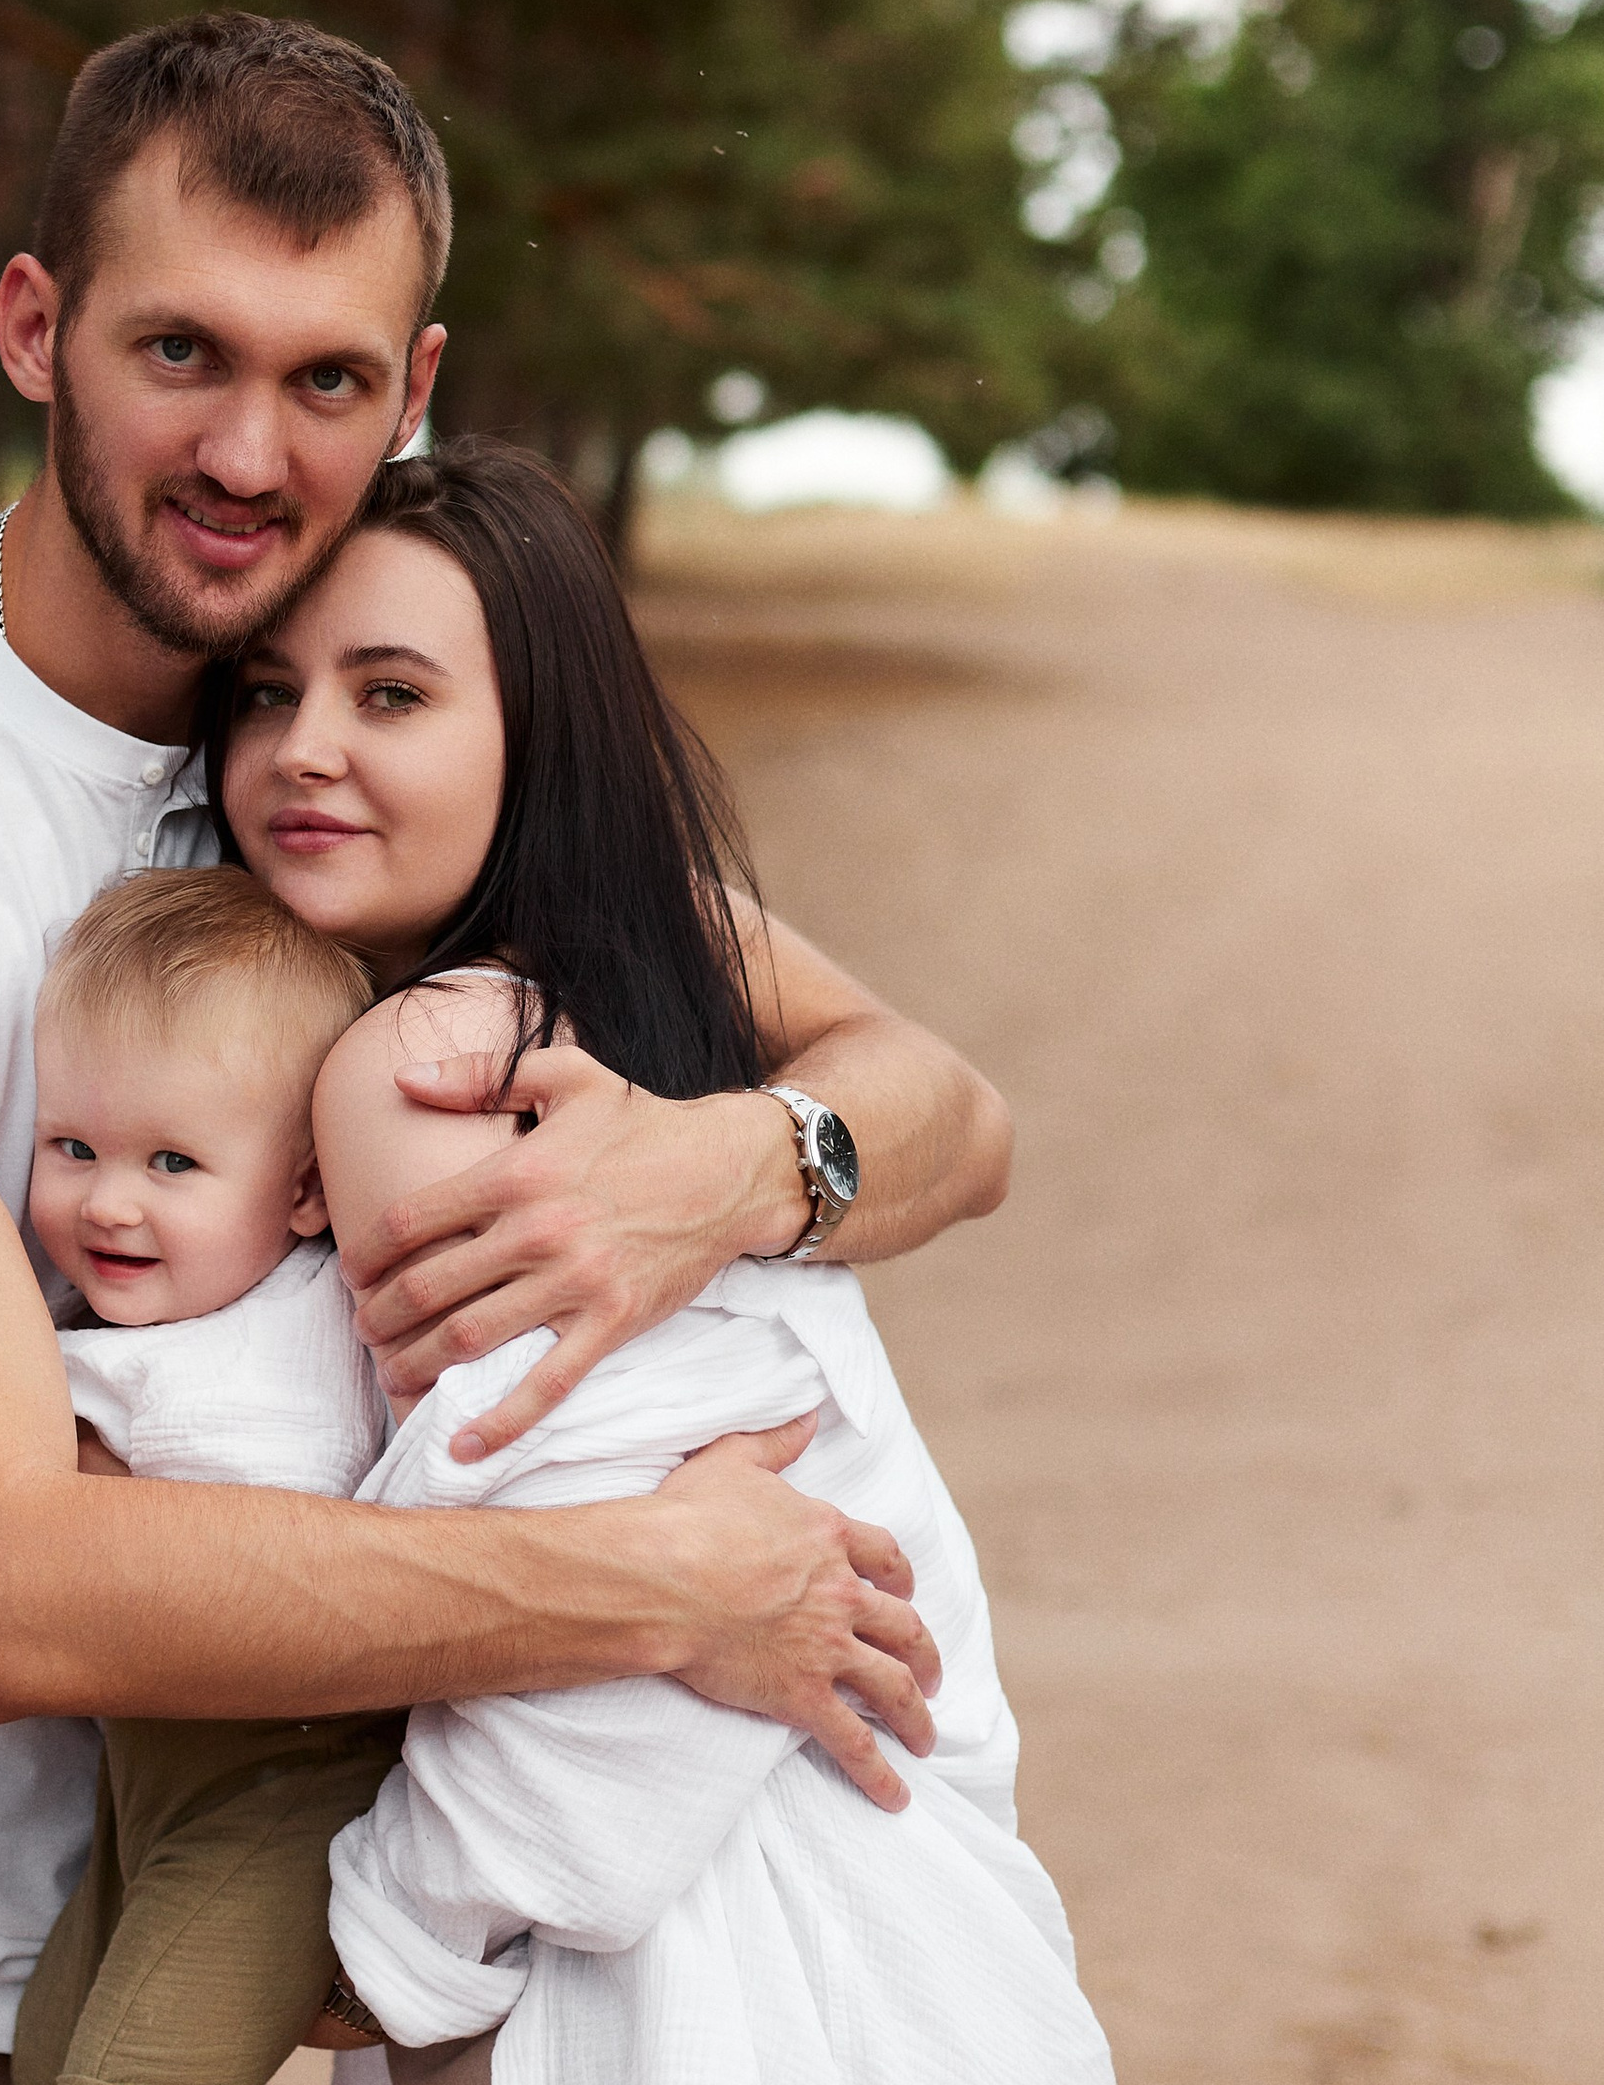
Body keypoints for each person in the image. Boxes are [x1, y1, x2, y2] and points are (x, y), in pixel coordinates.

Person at [0, 10, 1011, 2084]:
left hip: (188, 1914)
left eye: (326, 380)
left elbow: (942, 1106)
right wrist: (658, 1590)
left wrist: (738, 1164)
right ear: (36, 327)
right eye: (180, 352)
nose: (244, 454)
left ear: (416, 389)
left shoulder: (329, 763)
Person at [194, 438, 1107, 2082]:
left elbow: (619, 1647)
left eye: (391, 694)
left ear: (533, 739)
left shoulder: (446, 1062)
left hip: (693, 1971)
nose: (305, 746)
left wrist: (387, 1950)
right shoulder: (607, 971)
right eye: (267, 692)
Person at [6, 866, 402, 2085]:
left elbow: (266, 1554)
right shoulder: (117, 1329)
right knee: (45, 2052)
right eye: (73, 1147)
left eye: (172, 1161)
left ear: (304, 1189)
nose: (109, 1201)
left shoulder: (288, 1345)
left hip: (282, 1792)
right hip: (145, 1787)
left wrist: (52, 1549)